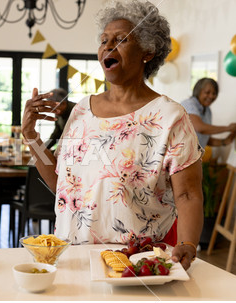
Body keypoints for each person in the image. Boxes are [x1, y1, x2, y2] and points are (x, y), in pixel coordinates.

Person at [21, 0, 202, 270]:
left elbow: (188, 194)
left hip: (137, 263)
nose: (108, 45)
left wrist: (187, 244)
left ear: (148, 51)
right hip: (70, 258)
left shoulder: (170, 116)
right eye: (104, 40)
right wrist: (31, 137)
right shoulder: (81, 110)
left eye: (121, 39)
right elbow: (62, 184)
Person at [181, 78, 236, 148]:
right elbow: (200, 128)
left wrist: (224, 141)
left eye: (214, 93)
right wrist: (228, 128)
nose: (211, 96)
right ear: (198, 91)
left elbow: (204, 138)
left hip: (194, 156)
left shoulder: (207, 110)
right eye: (207, 92)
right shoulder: (189, 104)